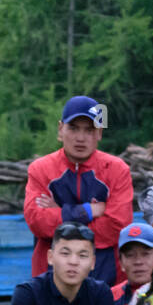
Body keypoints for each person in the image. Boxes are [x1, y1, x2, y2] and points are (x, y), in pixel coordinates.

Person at [24, 96, 132, 285]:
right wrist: (89, 211)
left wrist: (60, 213)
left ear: (99, 133)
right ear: (60, 129)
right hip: (49, 278)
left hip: (106, 276)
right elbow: (37, 221)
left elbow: (117, 227)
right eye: (73, 128)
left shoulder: (117, 170)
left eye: (89, 130)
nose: (80, 138)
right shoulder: (40, 169)